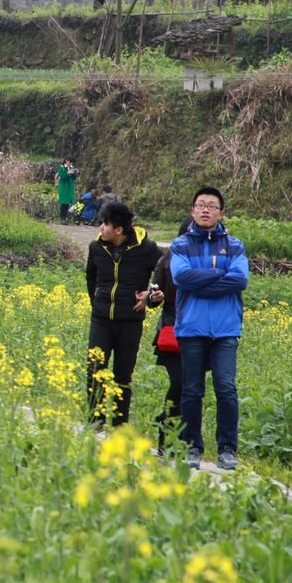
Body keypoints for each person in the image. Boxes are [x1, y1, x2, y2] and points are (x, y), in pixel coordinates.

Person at [171, 187, 249, 471]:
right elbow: (181, 276)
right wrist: (219, 274)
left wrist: (200, 282)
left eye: (211, 206)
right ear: (192, 211)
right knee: (192, 389)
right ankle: (193, 447)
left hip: (226, 328)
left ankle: (227, 448)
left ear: (221, 213)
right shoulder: (181, 245)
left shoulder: (235, 245)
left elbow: (240, 280)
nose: (205, 210)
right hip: (192, 327)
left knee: (226, 388)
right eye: (200, 205)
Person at [83, 201, 161, 427]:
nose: (101, 228)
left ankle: (119, 425)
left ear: (118, 229)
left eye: (105, 224)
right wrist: (96, 301)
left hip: (130, 322)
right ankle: (95, 421)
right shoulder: (96, 247)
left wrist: (149, 296)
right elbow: (90, 277)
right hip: (101, 320)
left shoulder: (146, 248)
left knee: (123, 375)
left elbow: (163, 272)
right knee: (95, 369)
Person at [146, 220, 193, 454]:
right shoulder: (166, 260)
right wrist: (154, 297)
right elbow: (151, 300)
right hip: (172, 331)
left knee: (190, 388)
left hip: (199, 331)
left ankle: (179, 438)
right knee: (180, 384)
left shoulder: (208, 261)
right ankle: (167, 436)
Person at [55, 157, 79, 224]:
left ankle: (64, 218)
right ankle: (62, 219)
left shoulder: (72, 167)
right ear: (66, 161)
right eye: (70, 162)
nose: (70, 163)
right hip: (63, 187)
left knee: (67, 203)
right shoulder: (61, 168)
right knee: (63, 203)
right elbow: (62, 177)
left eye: (71, 162)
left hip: (70, 187)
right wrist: (68, 173)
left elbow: (73, 178)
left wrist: (75, 173)